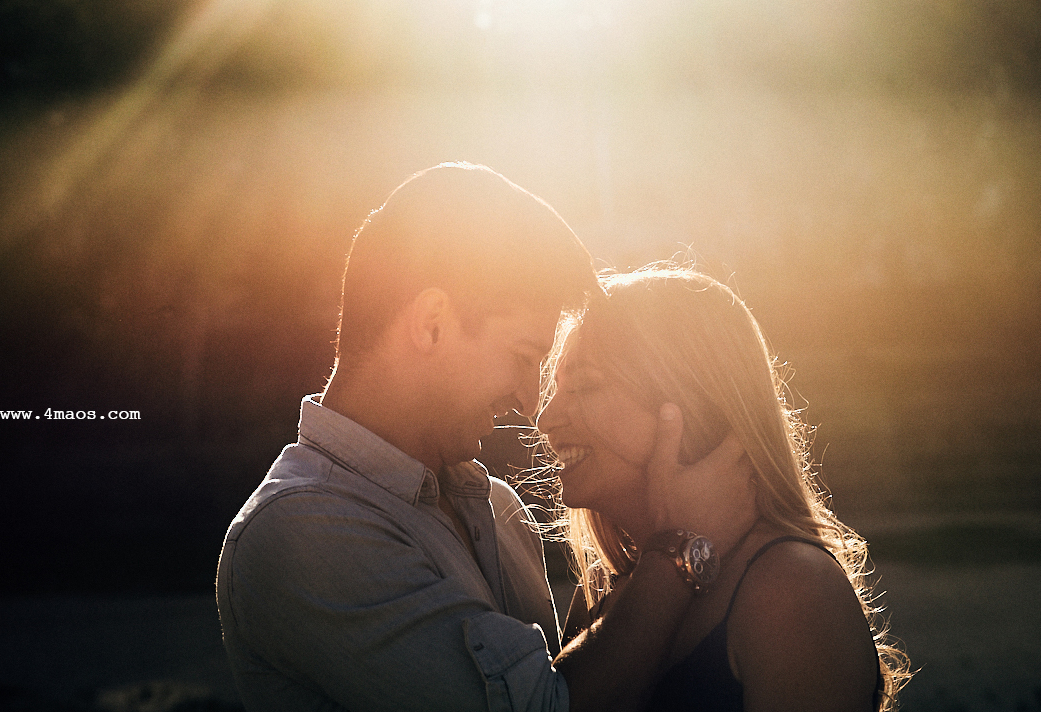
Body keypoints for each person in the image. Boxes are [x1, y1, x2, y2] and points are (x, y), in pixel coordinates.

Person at [216, 163, 757, 712]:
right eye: (524, 358)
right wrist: (680, 549)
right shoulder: (301, 530)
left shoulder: (499, 511)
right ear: (431, 322)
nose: (531, 402)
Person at [539, 264, 912, 711]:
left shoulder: (788, 589)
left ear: (684, 398)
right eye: (556, 388)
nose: (547, 420)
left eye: (584, 386)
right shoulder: (604, 592)